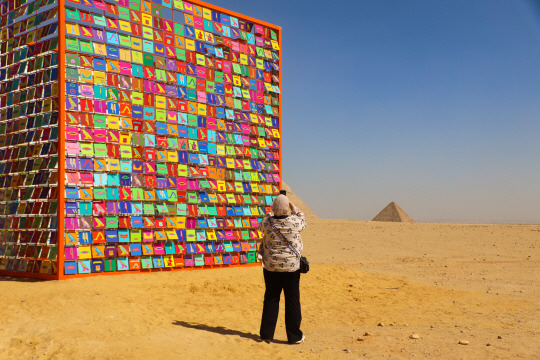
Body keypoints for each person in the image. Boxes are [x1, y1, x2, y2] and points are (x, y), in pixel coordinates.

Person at [258, 194, 307, 344]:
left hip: (271, 267)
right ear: (287, 208)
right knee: (292, 300)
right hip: (291, 268)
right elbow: (303, 219)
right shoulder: (293, 222)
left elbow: (261, 224)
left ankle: (266, 334)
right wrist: (293, 206)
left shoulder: (267, 222)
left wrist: (272, 212)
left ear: (273, 208)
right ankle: (294, 336)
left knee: (271, 299)